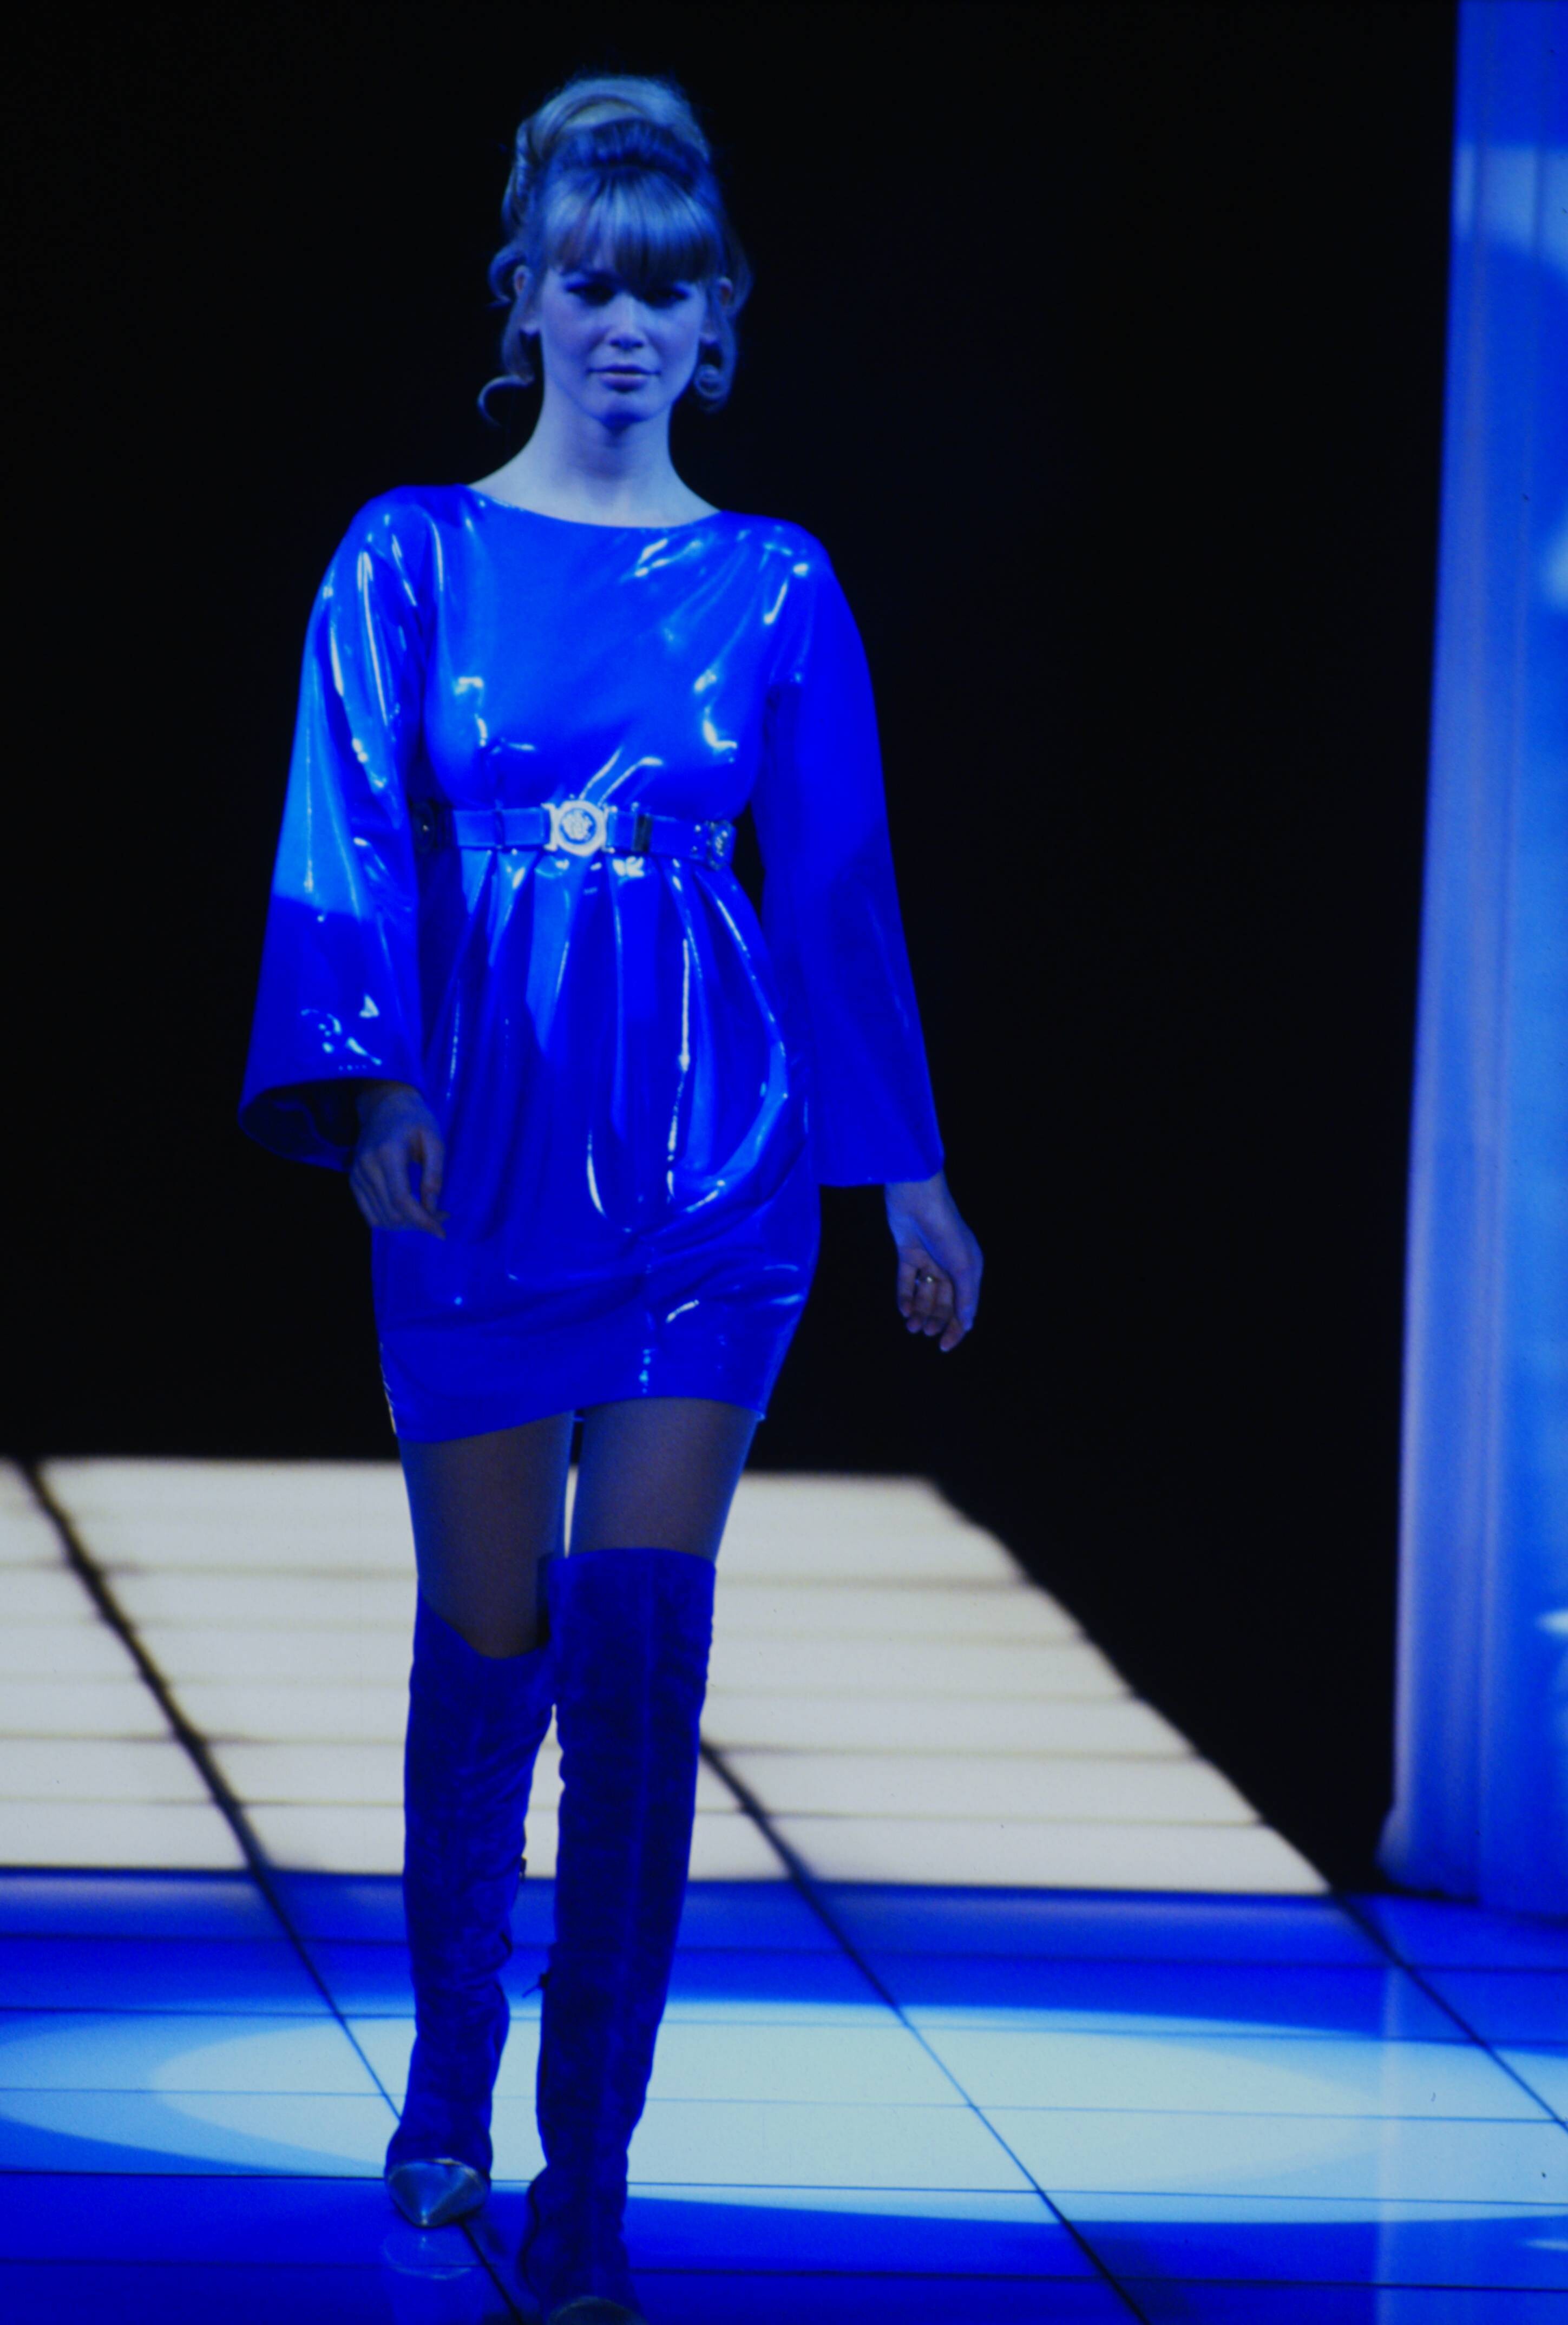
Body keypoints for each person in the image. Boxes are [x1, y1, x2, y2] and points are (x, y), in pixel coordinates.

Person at [240, 71, 982, 2325]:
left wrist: (907, 1179)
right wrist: (368, 1082)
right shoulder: (408, 554)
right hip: (471, 1148)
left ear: (720, 315)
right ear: (529, 299)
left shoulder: (773, 581)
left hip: (710, 1171)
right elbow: (341, 831)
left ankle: (592, 2175)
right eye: (591, 280)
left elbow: (833, 889)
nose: (628, 320)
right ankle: (450, 2063)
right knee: (492, 1643)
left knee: (643, 1651)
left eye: (667, 286)